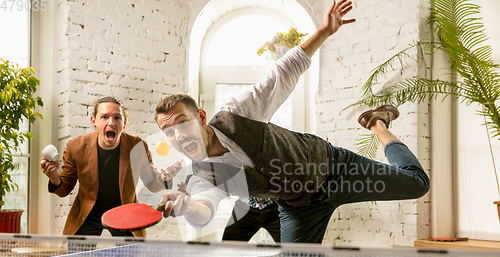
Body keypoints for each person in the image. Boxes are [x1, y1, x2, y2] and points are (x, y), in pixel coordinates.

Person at [153, 0, 430, 243]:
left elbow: (282, 73)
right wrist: (188, 207)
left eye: (182, 123)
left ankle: (378, 125)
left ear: (201, 117)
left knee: (418, 185)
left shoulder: (236, 113)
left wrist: (323, 32)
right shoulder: (203, 175)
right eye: (169, 131)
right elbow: (204, 208)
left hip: (335, 168)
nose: (178, 135)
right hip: (300, 205)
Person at [40, 96, 182, 238]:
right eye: (104, 117)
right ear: (93, 121)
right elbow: (64, 189)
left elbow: (151, 183)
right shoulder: (76, 147)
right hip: (88, 213)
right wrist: (54, 177)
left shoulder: (137, 146)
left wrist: (164, 178)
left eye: (117, 118)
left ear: (124, 122)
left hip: (125, 212)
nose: (111, 123)